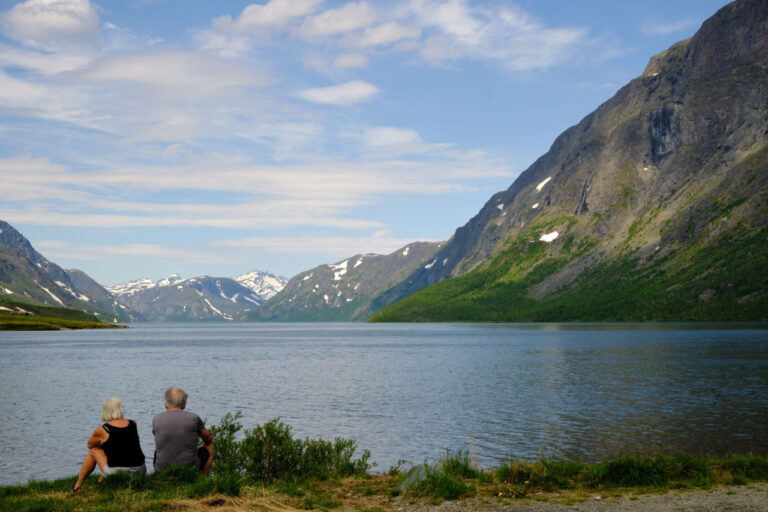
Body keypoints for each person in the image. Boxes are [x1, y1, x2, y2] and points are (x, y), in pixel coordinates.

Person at [72, 397, 146, 493]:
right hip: (140, 470)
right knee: (116, 449)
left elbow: (90, 445)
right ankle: (100, 480)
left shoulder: (103, 429)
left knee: (94, 450)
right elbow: (124, 444)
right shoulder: (133, 424)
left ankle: (77, 486)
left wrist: (103, 445)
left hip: (118, 474)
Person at [152, 387, 214, 476]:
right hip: (189, 468)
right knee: (210, 447)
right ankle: (201, 481)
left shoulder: (156, 419)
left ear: (166, 404)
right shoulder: (193, 418)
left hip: (161, 469)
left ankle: (162, 478)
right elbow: (208, 439)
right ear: (184, 404)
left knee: (159, 450)